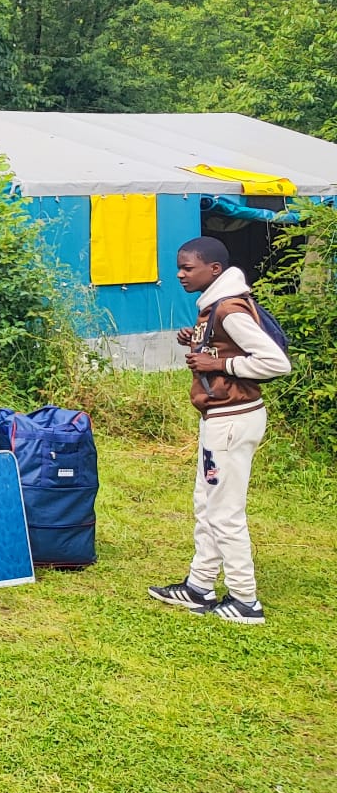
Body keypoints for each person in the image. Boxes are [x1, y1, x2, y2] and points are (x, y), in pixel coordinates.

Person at [148, 237, 292, 625]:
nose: (180, 274)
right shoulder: (213, 307)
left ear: (214, 269)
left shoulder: (228, 309)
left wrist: (221, 367)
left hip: (232, 421)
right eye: (178, 267)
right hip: (220, 419)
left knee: (225, 512)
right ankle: (199, 585)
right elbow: (226, 348)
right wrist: (196, 340)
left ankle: (245, 600)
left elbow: (276, 363)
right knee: (207, 502)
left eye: (187, 268)